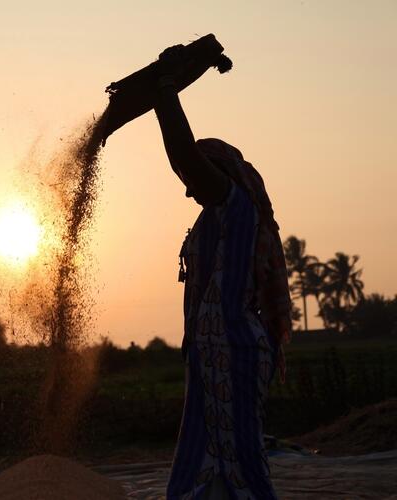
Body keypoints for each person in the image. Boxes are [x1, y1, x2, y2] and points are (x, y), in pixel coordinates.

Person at [153, 45, 292, 500]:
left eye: (195, 182)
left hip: (233, 349)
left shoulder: (234, 203)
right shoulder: (213, 217)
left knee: (242, 462)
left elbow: (184, 158)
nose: (189, 192)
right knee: (200, 460)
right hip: (212, 353)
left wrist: (165, 93)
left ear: (218, 173)